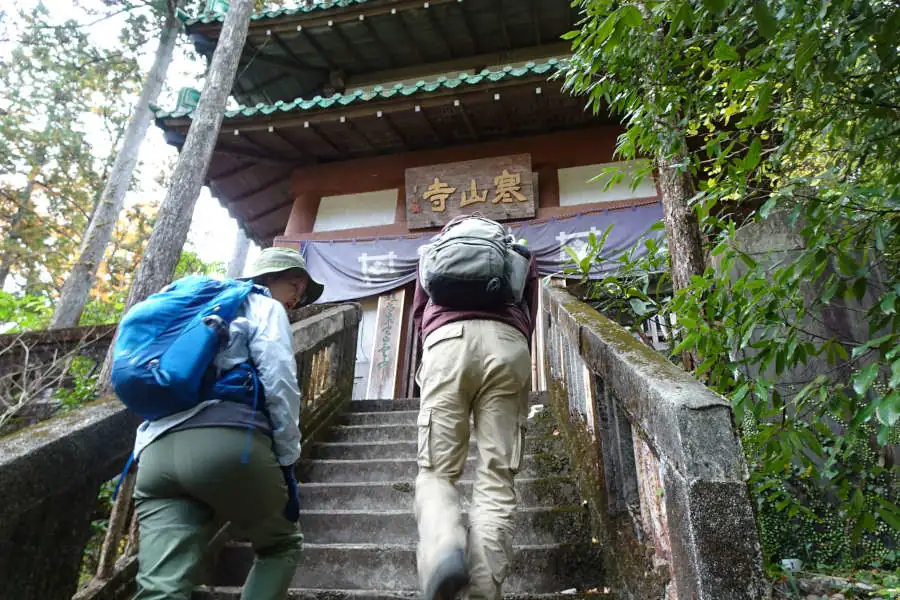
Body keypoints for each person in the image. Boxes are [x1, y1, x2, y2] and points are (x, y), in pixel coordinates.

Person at [131, 247, 324, 600]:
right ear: (267, 279)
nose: (300, 296)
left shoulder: (194, 311)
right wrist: (286, 455)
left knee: (161, 586)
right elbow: (278, 378)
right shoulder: (261, 305)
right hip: (228, 444)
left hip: (155, 456)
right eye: (295, 284)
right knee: (280, 545)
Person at [412, 216, 539, 600]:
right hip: (507, 345)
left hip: (446, 344)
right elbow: (528, 311)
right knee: (496, 477)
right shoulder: (518, 252)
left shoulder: (431, 252)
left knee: (437, 472)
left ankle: (444, 550)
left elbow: (420, 316)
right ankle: (483, 591)